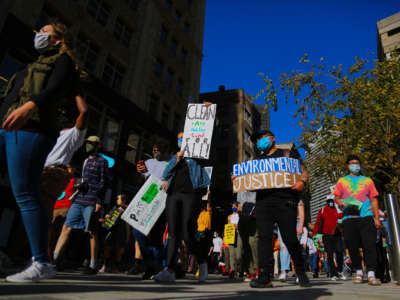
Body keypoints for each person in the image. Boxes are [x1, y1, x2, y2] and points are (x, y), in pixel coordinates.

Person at [1, 20, 77, 282]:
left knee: (25, 193)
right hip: (5, 127)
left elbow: (55, 89)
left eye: (45, 32)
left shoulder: (63, 61)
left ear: (58, 38)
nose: (38, 35)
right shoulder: (29, 65)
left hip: (32, 130)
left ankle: (41, 261)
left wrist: (30, 106)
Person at [248, 130, 310, 288]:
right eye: (257, 140)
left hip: (285, 201)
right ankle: (264, 276)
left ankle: (301, 272)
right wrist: (239, 179)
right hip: (263, 203)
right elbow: (250, 184)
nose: (259, 141)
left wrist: (302, 182)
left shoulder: (287, 153)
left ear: (272, 138)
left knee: (289, 238)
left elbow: (303, 172)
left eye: (262, 138)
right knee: (264, 239)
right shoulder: (257, 161)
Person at [154, 131, 210, 283]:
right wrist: (176, 160)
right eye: (179, 138)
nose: (181, 140)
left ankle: (202, 261)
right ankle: (170, 270)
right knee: (172, 233)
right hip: (173, 195)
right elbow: (165, 175)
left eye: (183, 137)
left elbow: (210, 140)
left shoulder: (198, 158)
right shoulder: (174, 157)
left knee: (187, 233)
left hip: (191, 196)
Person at [53, 136, 108, 275]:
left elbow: (103, 182)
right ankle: (55, 259)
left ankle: (93, 264)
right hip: (79, 198)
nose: (88, 145)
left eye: (91, 143)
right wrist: (79, 184)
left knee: (91, 231)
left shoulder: (102, 161)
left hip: (91, 200)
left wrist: (98, 201)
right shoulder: (85, 160)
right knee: (66, 227)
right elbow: (82, 177)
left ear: (98, 145)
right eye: (87, 143)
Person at [334, 155, 382, 286]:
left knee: (370, 245)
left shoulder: (367, 180)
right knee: (352, 246)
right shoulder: (342, 180)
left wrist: (377, 218)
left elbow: (374, 199)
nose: (355, 165)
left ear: (360, 165)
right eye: (352, 163)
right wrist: (341, 204)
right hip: (349, 218)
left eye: (357, 163)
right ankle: (359, 271)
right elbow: (336, 197)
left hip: (366, 217)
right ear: (347, 165)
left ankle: (372, 274)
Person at [131, 140, 170, 279]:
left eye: (157, 150)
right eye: (153, 150)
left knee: (156, 236)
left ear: (165, 150)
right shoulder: (148, 162)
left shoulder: (172, 163)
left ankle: (154, 267)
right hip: (146, 199)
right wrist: (139, 172)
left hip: (161, 203)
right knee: (137, 231)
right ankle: (151, 263)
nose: (155, 153)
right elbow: (138, 180)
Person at [314, 196, 346, 281]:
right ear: (326, 202)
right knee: (330, 254)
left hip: (337, 234)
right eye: (329, 201)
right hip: (326, 235)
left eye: (332, 201)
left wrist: (344, 210)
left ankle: (339, 271)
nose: (331, 203)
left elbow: (341, 216)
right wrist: (316, 235)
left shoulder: (337, 209)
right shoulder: (322, 210)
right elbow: (317, 222)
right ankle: (333, 274)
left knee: (339, 252)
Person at [99, 194, 128, 273]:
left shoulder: (127, 208)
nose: (117, 200)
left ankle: (116, 267)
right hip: (112, 230)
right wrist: (106, 217)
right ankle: (105, 265)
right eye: (117, 199)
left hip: (121, 231)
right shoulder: (114, 208)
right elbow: (108, 217)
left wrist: (124, 206)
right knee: (107, 246)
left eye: (119, 199)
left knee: (119, 249)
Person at [278, 200, 305, 282]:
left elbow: (301, 213)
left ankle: (299, 273)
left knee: (294, 248)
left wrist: (300, 225)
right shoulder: (279, 198)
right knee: (283, 247)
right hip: (282, 223)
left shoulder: (297, 198)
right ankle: (284, 271)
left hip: (295, 222)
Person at [226, 202, 242, 279]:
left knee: (238, 255)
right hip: (231, 234)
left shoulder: (240, 216)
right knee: (231, 254)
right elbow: (228, 225)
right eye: (233, 206)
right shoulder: (229, 216)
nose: (234, 207)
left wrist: (237, 226)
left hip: (238, 234)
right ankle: (232, 270)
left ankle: (239, 268)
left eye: (235, 206)